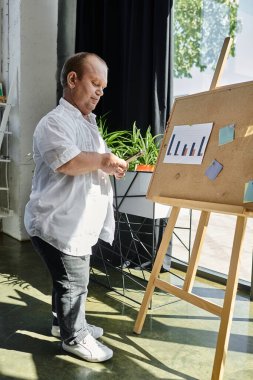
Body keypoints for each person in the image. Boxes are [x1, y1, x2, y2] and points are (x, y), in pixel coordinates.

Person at [24, 52, 128, 362]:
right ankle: (74, 336)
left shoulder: (88, 124)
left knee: (66, 279)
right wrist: (104, 161)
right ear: (73, 80)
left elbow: (93, 163)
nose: (100, 92)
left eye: (103, 87)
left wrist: (109, 165)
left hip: (74, 222)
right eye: (95, 83)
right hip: (56, 223)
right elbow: (68, 162)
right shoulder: (53, 123)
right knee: (73, 281)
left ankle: (62, 323)